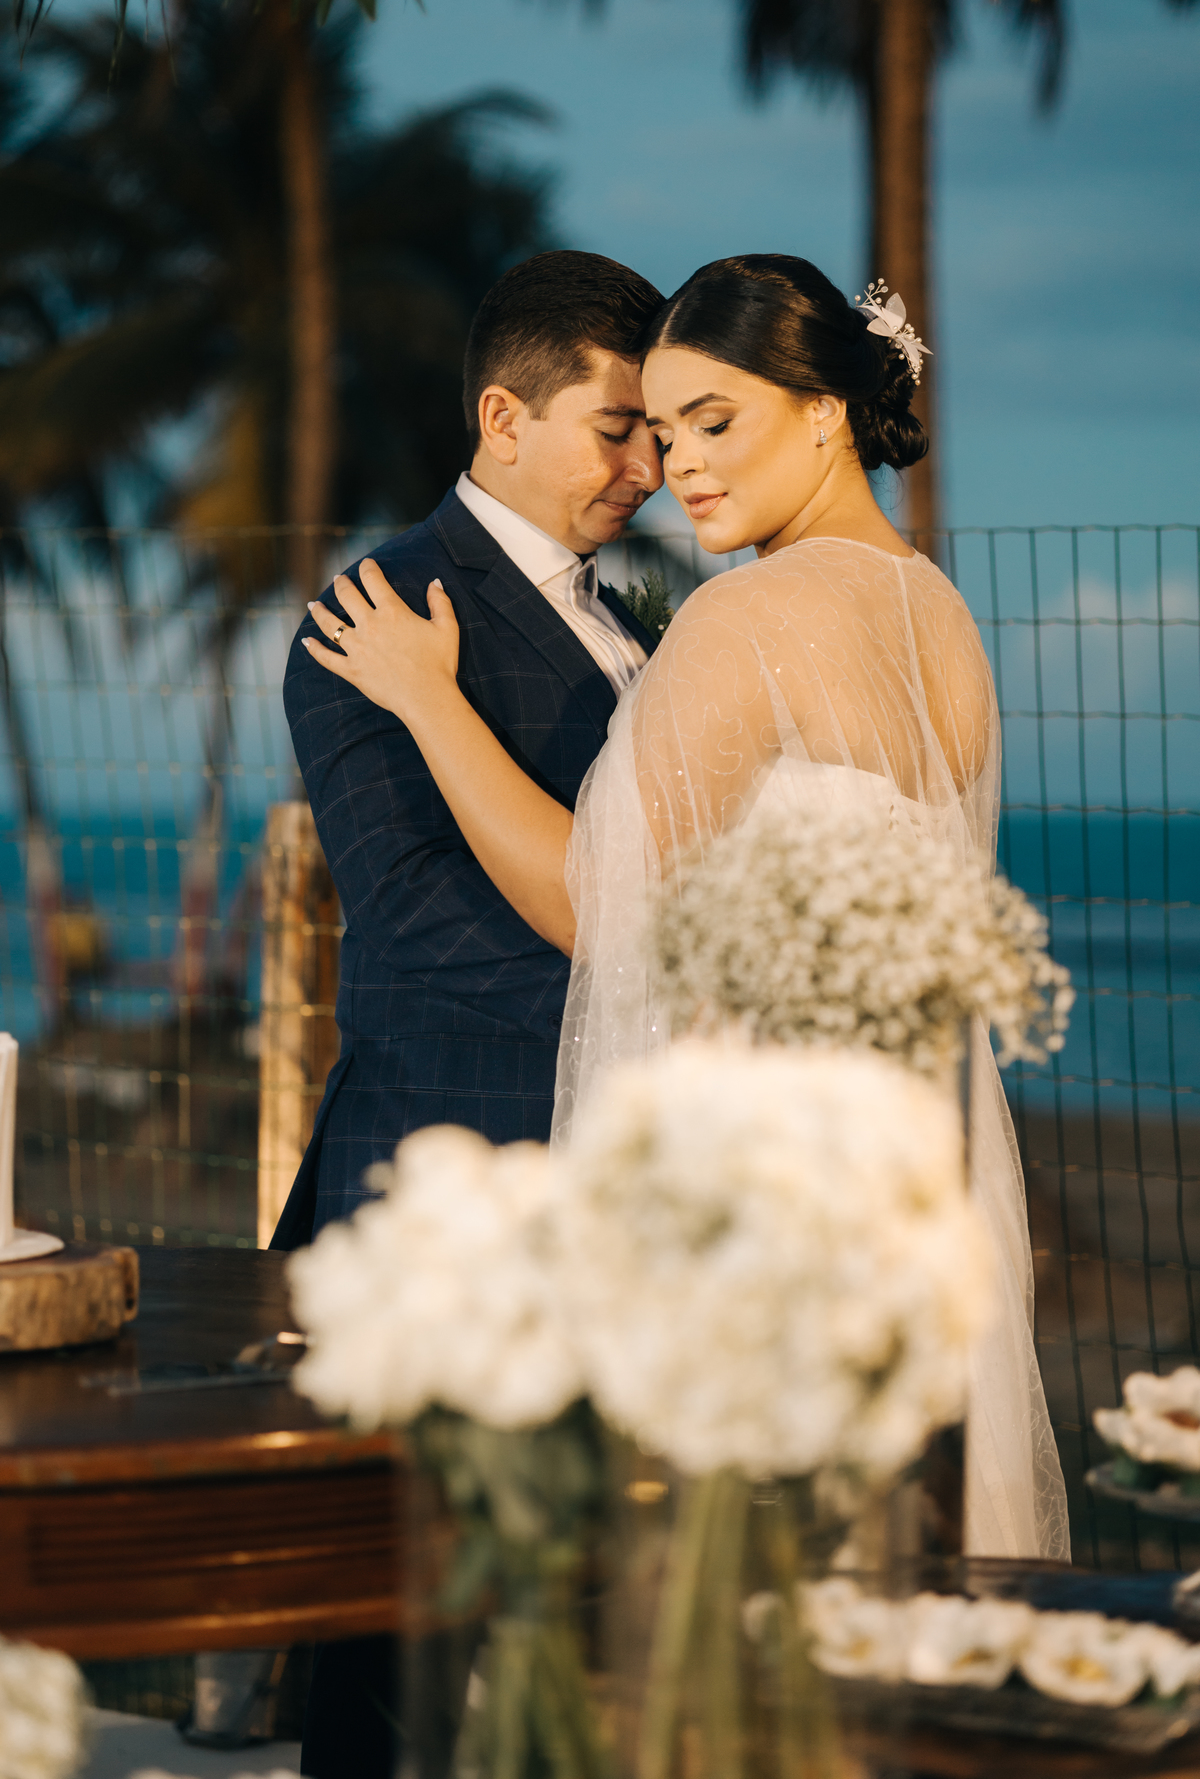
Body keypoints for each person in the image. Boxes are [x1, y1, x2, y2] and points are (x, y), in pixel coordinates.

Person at [303, 254, 1070, 1567]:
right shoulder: (938, 615)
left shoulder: (747, 619)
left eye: (714, 424)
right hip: (913, 1164)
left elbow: (601, 907)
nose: (677, 468)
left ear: (825, 412)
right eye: (658, 430)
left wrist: (432, 700)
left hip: (764, 1187)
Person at [275, 247, 665, 1779]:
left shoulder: (628, 610)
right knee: (396, 1643)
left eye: (659, 435)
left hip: (602, 1176)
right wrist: (665, 1008)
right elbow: (418, 923)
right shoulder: (380, 605)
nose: (648, 466)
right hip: (452, 1156)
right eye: (616, 430)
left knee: (571, 1638)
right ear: (504, 416)